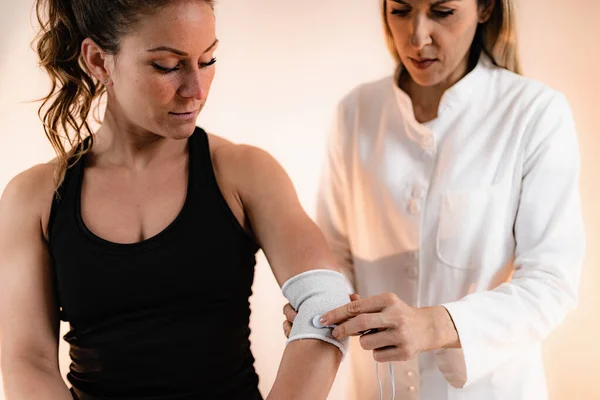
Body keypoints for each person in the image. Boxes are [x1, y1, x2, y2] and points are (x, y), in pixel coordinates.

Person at [0, 1, 350, 399]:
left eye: (208, 59)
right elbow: (28, 360)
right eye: (168, 65)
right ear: (98, 60)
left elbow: (327, 305)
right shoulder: (35, 198)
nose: (196, 90)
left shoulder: (243, 172)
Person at [284, 0, 585, 399]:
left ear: (485, 8)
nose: (417, 36)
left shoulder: (534, 112)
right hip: (378, 388)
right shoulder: (355, 112)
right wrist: (321, 306)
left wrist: (434, 325)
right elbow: (334, 251)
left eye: (442, 12)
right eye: (401, 10)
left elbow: (551, 282)